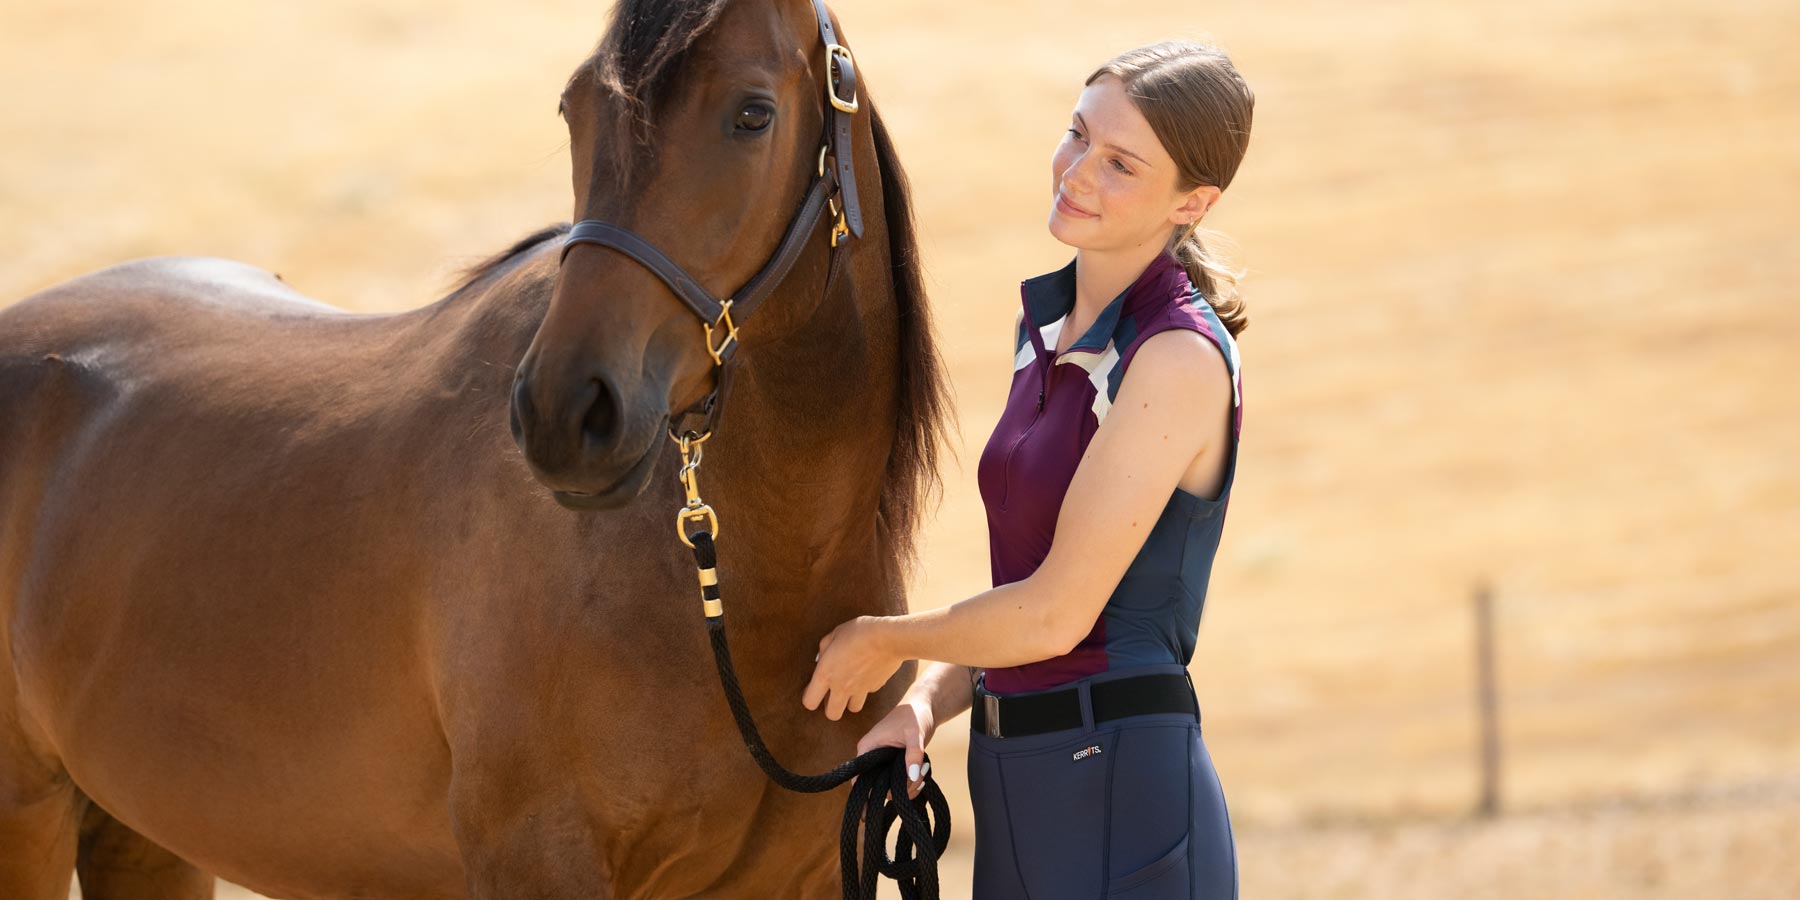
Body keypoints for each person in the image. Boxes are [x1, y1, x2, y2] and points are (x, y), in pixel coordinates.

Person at [801, 39, 1254, 899]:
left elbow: (1053, 617)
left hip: (1125, 793)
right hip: (1012, 789)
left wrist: (884, 640)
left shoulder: (1175, 358)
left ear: (1192, 202)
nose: (1078, 172)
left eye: (1121, 164)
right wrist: (923, 704)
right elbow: (1019, 592)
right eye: (1078, 135)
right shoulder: (1046, 331)